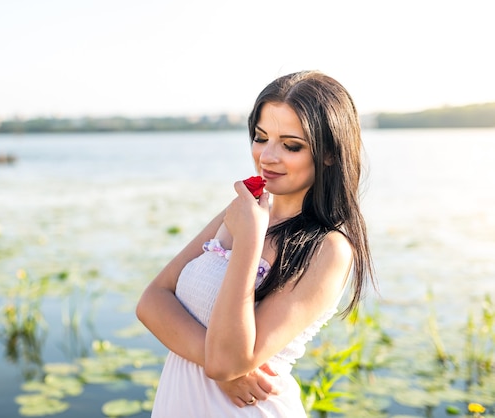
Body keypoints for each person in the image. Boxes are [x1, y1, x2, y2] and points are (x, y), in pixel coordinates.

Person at [135, 70, 376, 417]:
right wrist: (216, 363)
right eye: (261, 138)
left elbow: (229, 360)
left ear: (328, 154)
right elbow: (151, 301)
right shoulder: (241, 210)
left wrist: (249, 241)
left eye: (291, 145)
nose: (267, 157)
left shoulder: (329, 249)